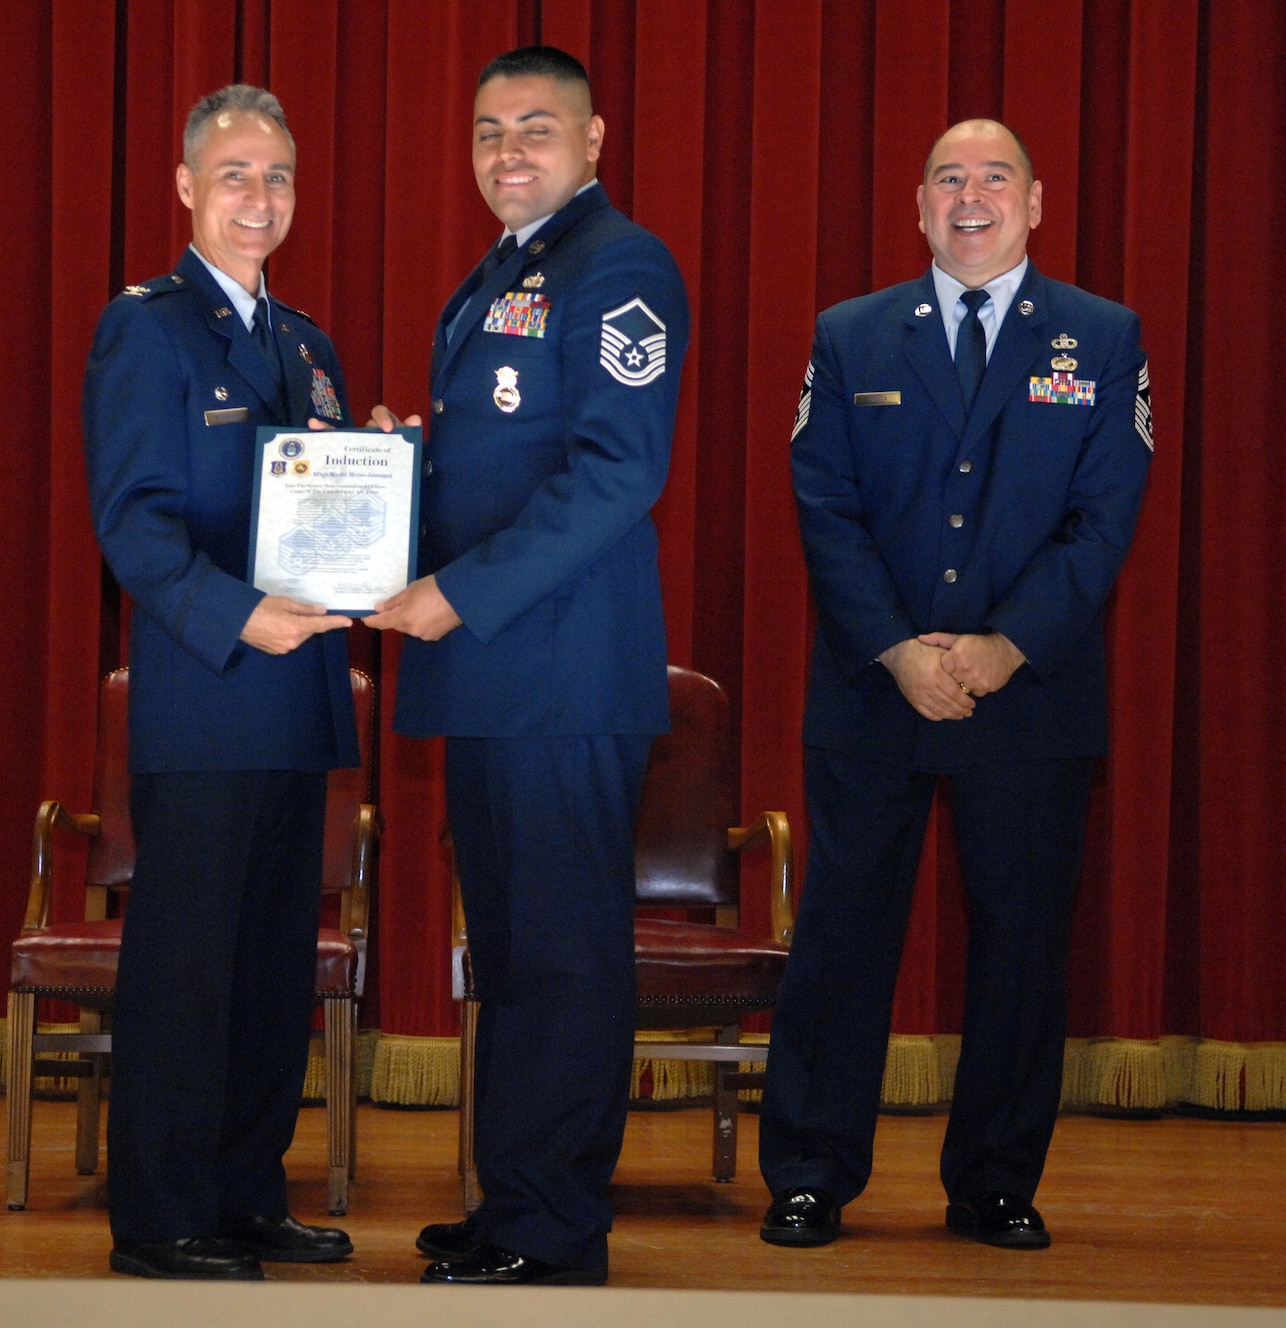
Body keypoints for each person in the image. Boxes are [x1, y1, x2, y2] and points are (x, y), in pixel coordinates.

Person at [756, 119, 1153, 1252]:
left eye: (992, 178)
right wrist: (897, 649)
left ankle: (991, 1180)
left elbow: (1103, 518)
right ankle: (811, 1172)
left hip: (1030, 696)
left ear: (1034, 202)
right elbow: (822, 508)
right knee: (840, 937)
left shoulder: (1102, 335)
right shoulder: (849, 335)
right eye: (945, 178)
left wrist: (1001, 647)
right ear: (917, 205)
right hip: (870, 690)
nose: (967, 197)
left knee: (1022, 944)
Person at [363, 45, 690, 1286]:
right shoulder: (498, 274)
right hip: (499, 675)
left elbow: (618, 470)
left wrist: (458, 588)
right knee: (508, 954)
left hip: (557, 671)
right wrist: (405, 465)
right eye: (490, 131)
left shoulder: (620, 264)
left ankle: (552, 1226)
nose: (510, 152)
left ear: (594, 139)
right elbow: (501, 454)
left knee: (559, 956)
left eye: (536, 129)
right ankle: (514, 1198)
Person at [82, 83, 359, 1280]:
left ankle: (247, 1192)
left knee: (267, 976)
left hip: (298, 706)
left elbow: (330, 508)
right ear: (186, 187)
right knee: (185, 973)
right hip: (205, 698)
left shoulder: (305, 341)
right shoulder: (143, 328)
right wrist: (245, 613)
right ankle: (159, 1214)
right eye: (237, 174)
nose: (261, 197)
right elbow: (133, 528)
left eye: (280, 177)